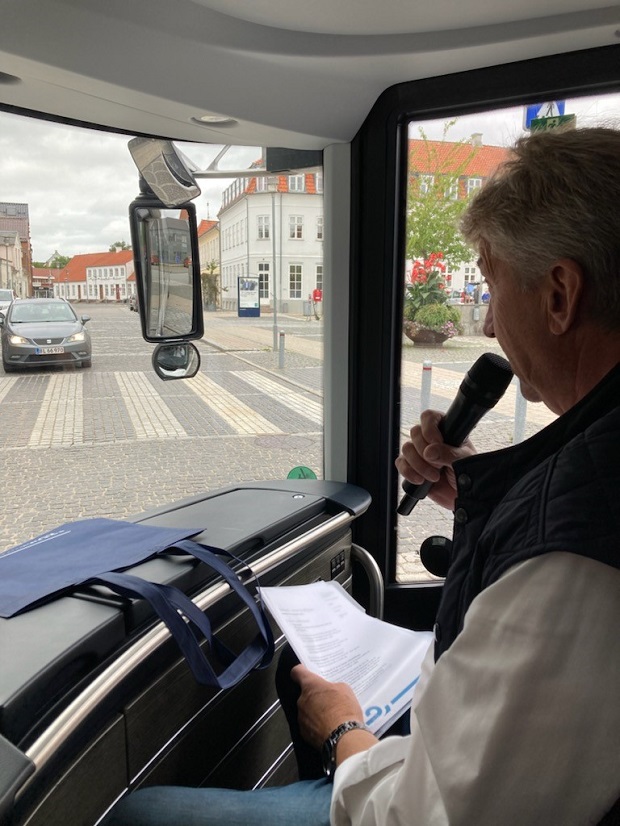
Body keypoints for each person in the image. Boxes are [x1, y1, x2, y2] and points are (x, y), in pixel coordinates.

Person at [104, 126, 620, 825]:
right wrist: (476, 494)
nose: (491, 326)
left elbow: (433, 818)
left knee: (146, 815)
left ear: (560, 295)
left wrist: (345, 731)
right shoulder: (586, 479)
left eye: (493, 285)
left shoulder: (577, 554)